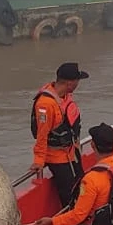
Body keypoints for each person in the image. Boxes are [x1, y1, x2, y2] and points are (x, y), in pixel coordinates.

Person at [30, 63, 89, 210]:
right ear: (70, 83)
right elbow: (42, 135)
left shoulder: (65, 96)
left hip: (71, 152)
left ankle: (78, 219)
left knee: (80, 185)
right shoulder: (45, 105)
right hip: (57, 158)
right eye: (77, 80)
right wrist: (39, 160)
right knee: (68, 195)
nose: (78, 84)